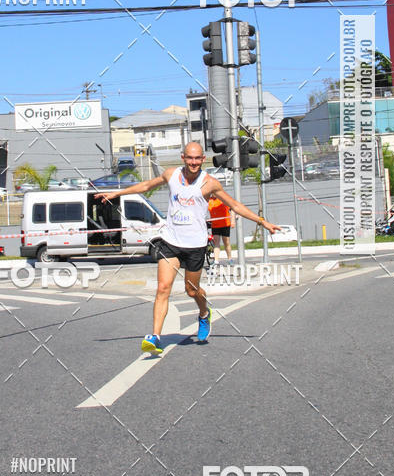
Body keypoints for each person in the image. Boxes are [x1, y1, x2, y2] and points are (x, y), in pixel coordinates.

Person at [96, 141, 280, 355]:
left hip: (195, 245)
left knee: (191, 290)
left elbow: (235, 206)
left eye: (197, 158)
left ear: (203, 159)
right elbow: (146, 186)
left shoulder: (210, 183)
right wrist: (115, 194)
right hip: (170, 241)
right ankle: (155, 337)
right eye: (190, 158)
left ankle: (204, 313)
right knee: (163, 288)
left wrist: (262, 221)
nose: (193, 162)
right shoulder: (171, 175)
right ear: (183, 157)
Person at [208, 195, 235, 264]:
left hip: (225, 224)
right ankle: (216, 260)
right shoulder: (209, 200)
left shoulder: (223, 199)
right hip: (215, 225)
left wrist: (233, 221)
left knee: (226, 242)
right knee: (216, 242)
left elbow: (232, 209)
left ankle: (230, 258)